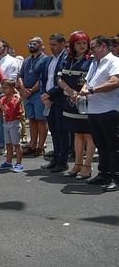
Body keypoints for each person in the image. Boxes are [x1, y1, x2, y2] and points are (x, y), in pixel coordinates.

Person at [77, 36, 119, 191]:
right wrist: (82, 91)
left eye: (93, 47)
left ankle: (116, 177)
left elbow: (115, 82)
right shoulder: (95, 63)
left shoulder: (114, 61)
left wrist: (93, 90)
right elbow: (88, 81)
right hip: (94, 109)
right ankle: (104, 174)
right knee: (101, 145)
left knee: (113, 146)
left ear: (103, 46)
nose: (91, 50)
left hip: (109, 109)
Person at [57, 31, 95, 179]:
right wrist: (70, 91)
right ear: (73, 45)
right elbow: (59, 79)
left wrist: (79, 94)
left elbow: (90, 80)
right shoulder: (67, 59)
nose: (82, 46)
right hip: (70, 102)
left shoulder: (91, 60)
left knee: (89, 134)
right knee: (77, 133)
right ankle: (78, 164)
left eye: (84, 43)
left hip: (85, 102)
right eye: (78, 43)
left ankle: (88, 165)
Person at [40, 33, 70, 172]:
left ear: (63, 44)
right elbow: (43, 79)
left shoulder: (66, 58)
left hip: (59, 99)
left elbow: (63, 81)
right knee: (54, 131)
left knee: (61, 131)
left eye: (54, 45)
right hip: (48, 100)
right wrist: (44, 96)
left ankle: (63, 161)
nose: (51, 47)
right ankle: (56, 158)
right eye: (50, 44)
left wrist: (50, 95)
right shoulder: (49, 60)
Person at [18, 36, 49, 157]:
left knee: (41, 120)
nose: (31, 46)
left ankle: (40, 146)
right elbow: (20, 75)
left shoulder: (45, 60)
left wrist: (31, 90)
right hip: (27, 94)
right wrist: (23, 88)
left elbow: (43, 78)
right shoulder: (26, 60)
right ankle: (32, 144)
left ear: (41, 45)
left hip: (38, 93)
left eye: (34, 43)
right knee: (31, 120)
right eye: (29, 44)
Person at [0, 80, 25, 172]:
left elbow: (10, 112)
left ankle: (19, 163)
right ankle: (8, 162)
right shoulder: (4, 98)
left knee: (16, 144)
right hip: (6, 123)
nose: (3, 90)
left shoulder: (15, 99)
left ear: (12, 88)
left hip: (14, 123)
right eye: (3, 88)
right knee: (8, 144)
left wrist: (0, 105)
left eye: (6, 88)